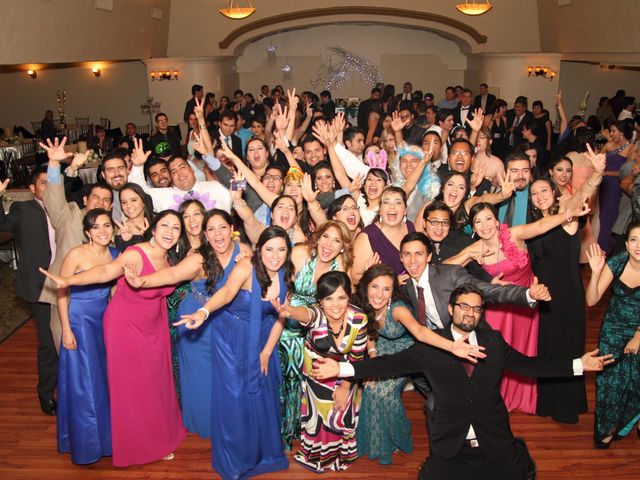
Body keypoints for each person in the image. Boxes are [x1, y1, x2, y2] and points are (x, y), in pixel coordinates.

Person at [312, 284, 614, 480]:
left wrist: (578, 364)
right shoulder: (431, 346)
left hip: (494, 440)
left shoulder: (493, 342)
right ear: (450, 309)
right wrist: (340, 369)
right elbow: (387, 363)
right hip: (450, 444)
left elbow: (530, 365)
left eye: (476, 308)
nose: (470, 313)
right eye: (463, 306)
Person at [41, 210, 187, 466]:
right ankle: (138, 443)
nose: (170, 232)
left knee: (156, 382)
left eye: (176, 228)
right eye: (165, 225)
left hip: (154, 323)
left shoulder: (172, 259)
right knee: (135, 386)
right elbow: (105, 273)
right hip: (126, 324)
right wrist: (68, 279)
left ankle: (158, 433)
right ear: (153, 229)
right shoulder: (134, 253)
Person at [447, 201, 590, 413]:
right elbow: (444, 267)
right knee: (497, 353)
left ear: (497, 221)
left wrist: (569, 213)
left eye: (488, 219)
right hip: (499, 309)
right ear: (474, 228)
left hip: (525, 303)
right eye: (478, 222)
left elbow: (541, 226)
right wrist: (468, 256)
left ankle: (522, 397)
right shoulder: (476, 247)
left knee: (523, 351)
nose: (484, 225)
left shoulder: (514, 234)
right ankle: (496, 398)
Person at [174, 226, 291, 479]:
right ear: (259, 250)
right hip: (230, 338)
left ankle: (263, 453)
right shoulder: (246, 268)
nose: (275, 255)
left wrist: (266, 353)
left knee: (262, 393)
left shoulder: (286, 274)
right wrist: (203, 312)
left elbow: (282, 317)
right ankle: (237, 457)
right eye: (270, 249)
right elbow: (226, 294)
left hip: (262, 338)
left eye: (282, 249)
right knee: (236, 398)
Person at [123, 208, 251, 439]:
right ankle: (206, 423)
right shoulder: (199, 257)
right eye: (211, 229)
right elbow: (172, 276)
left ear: (232, 230)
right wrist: (142, 281)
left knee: (228, 373)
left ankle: (230, 421)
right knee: (201, 375)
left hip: (228, 319)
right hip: (196, 318)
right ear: (205, 235)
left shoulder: (243, 251)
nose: (218, 234)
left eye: (223, 227)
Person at [354, 265, 485, 465]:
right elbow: (369, 333)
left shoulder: (397, 309)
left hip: (405, 353)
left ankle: (397, 437)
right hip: (381, 350)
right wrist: (373, 358)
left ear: (393, 292)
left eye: (386, 289)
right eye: (375, 287)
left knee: (383, 392)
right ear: (366, 287)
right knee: (371, 389)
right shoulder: (364, 304)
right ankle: (375, 440)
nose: (379, 294)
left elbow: (420, 332)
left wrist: (451, 346)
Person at [270, 271, 368, 472]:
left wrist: (346, 385)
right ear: (320, 301)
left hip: (348, 370)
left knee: (343, 412)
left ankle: (341, 453)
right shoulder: (317, 314)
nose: (336, 304)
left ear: (349, 297)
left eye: (341, 297)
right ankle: (317, 455)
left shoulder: (359, 319)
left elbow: (357, 358)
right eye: (328, 298)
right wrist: (290, 311)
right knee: (323, 412)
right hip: (318, 370)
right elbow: (305, 313)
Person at [279, 221, 352, 450]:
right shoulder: (300, 253)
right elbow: (285, 291)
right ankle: (284, 430)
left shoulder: (340, 267)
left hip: (316, 327)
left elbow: (340, 305)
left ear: (342, 247)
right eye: (326, 237)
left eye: (336, 240)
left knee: (311, 372)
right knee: (291, 361)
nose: (328, 244)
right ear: (317, 238)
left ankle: (305, 427)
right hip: (288, 321)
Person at [56, 209, 117, 464]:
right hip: (79, 322)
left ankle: (108, 438)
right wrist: (66, 329)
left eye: (106, 225)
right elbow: (62, 293)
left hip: (104, 322)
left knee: (104, 381)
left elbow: (114, 291)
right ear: (87, 232)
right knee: (85, 384)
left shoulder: (116, 254)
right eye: (96, 227)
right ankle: (87, 444)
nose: (102, 231)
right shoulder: (77, 254)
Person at [0, 168, 58, 416]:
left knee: (71, 340)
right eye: (44, 183)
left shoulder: (65, 208)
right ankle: (46, 393)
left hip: (70, 285)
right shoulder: (22, 210)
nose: (49, 187)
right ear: (33, 189)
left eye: (52, 182)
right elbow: (2, 225)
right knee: (48, 343)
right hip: (39, 287)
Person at [586, 228, 640, 449]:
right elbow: (592, 300)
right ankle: (606, 427)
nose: (639, 245)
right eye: (634, 240)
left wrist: (638, 336)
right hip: (613, 330)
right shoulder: (618, 262)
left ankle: (633, 418)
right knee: (610, 383)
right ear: (626, 244)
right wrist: (596, 273)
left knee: (636, 382)